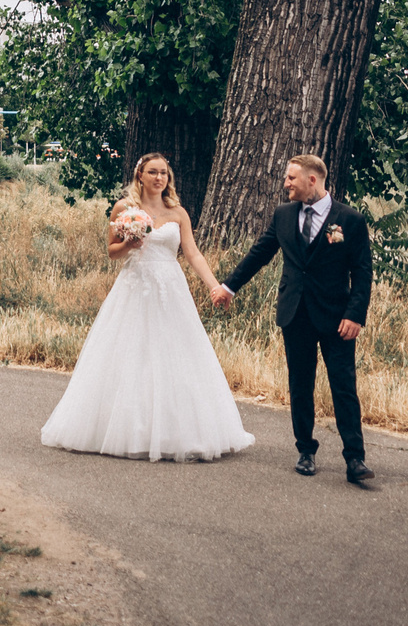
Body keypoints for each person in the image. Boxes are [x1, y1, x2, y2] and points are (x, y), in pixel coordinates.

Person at [39, 153, 254, 462]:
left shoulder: (178, 212)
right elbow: (112, 252)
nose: (159, 178)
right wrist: (129, 244)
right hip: (135, 286)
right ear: (140, 175)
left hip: (171, 288)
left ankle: (178, 431)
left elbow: (192, 253)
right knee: (131, 352)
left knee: (175, 353)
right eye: (152, 172)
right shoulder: (125, 208)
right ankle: (126, 430)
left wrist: (213, 286)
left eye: (164, 173)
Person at [219, 153, 376, 486]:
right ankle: (306, 450)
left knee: (344, 387)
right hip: (296, 312)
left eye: (291, 178)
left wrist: (355, 315)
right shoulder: (283, 215)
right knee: (300, 384)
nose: (286, 183)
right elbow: (260, 253)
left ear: (312, 180)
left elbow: (362, 272)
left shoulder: (349, 220)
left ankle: (355, 459)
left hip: (337, 318)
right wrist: (229, 286)